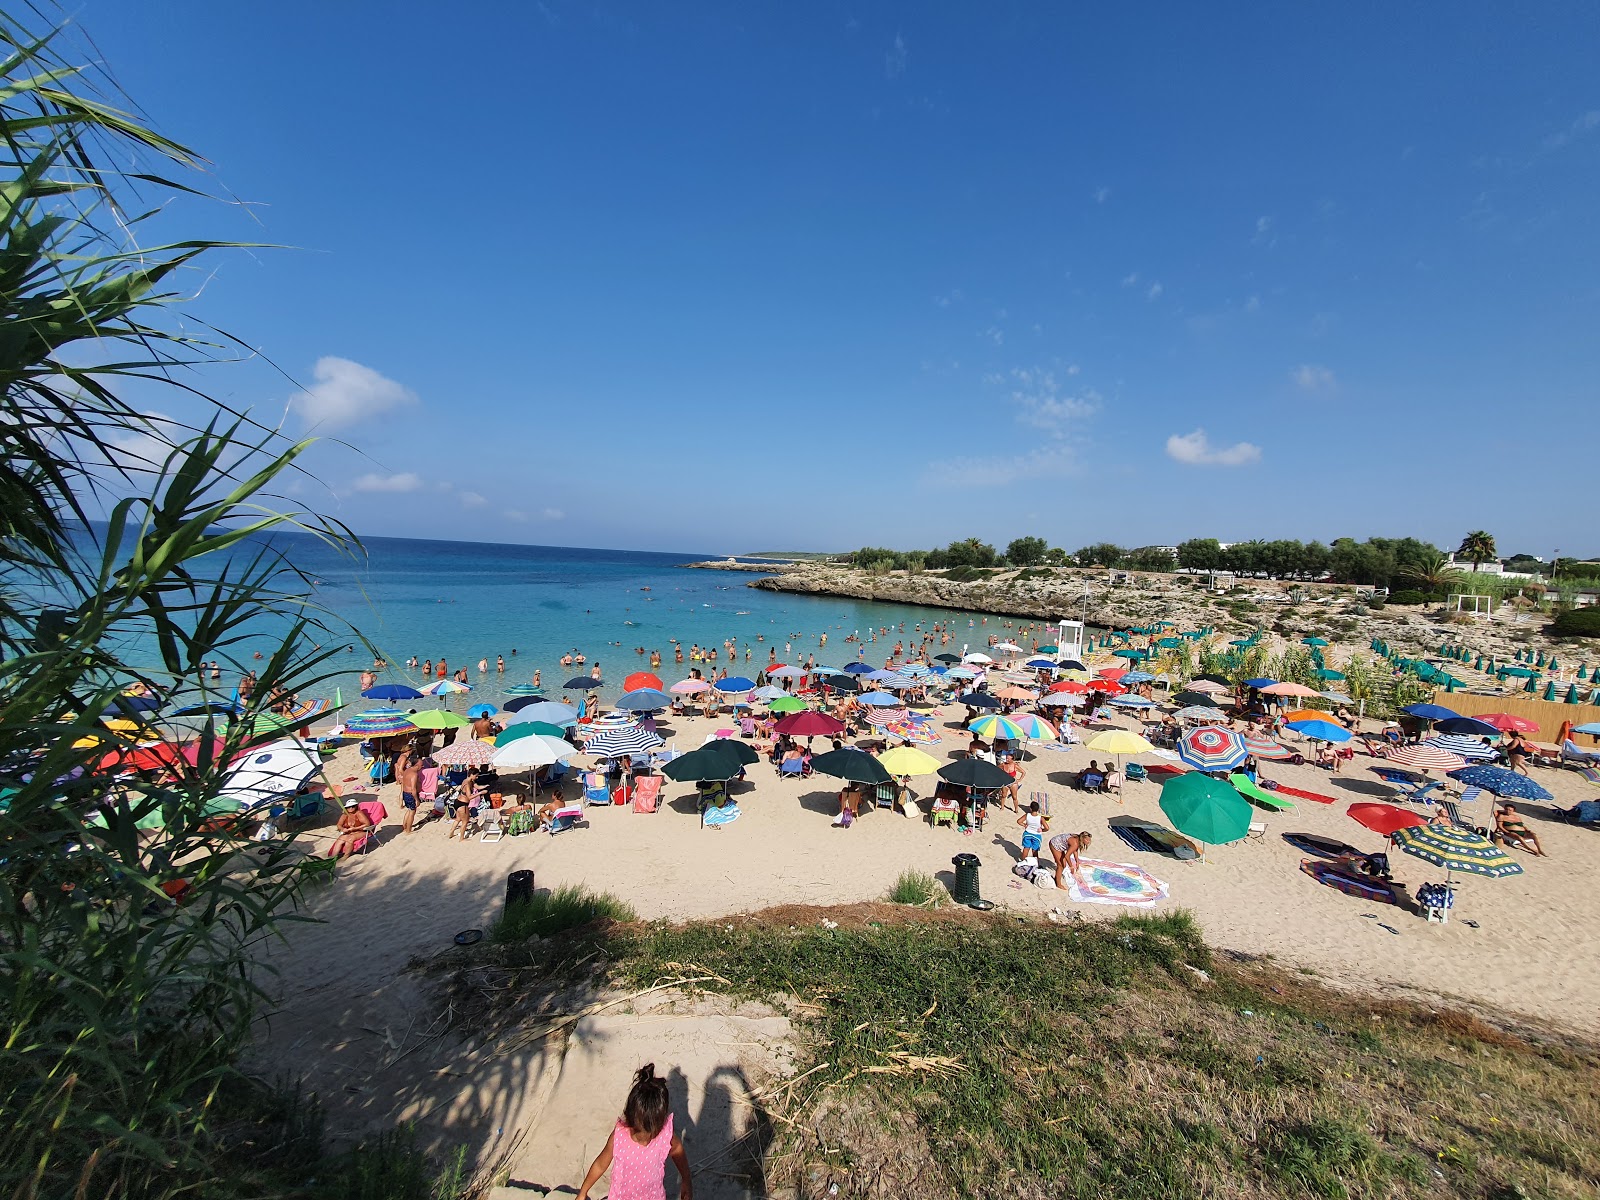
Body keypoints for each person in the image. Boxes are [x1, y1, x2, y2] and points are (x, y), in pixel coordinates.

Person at [575, 1063, 691, 1200]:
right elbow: (600, 1164)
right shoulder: (619, 1136)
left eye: (651, 1132)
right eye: (640, 1131)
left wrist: (686, 1181)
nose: (645, 1139)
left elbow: (677, 1149)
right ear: (630, 1117)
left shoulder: (665, 1134)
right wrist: (583, 1192)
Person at [396, 748, 421, 833]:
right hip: (411, 794)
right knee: (412, 812)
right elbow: (413, 789)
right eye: (421, 764)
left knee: (409, 810)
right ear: (416, 765)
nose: (422, 766)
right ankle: (408, 830)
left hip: (405, 793)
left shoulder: (407, 770)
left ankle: (404, 826)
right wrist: (417, 800)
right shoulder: (414, 774)